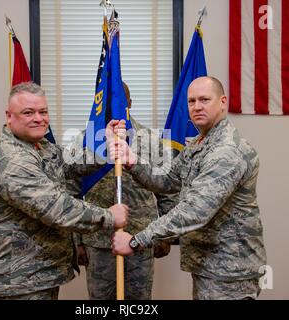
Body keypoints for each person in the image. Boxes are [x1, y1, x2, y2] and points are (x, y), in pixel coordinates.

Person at [110, 76, 267, 300]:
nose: (197, 106)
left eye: (204, 99)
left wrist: (136, 241)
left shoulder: (226, 151)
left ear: (223, 102)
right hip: (210, 266)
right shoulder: (200, 142)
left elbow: (194, 211)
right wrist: (132, 161)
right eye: (192, 101)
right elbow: (169, 180)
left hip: (231, 273)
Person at [0, 82, 129, 300]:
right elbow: (57, 209)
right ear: (9, 117)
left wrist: (107, 149)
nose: (38, 118)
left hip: (35, 274)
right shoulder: (12, 162)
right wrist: (109, 216)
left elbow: (70, 163)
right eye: (28, 112)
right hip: (15, 282)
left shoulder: (39, 146)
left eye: (43, 111)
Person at [74, 82, 176, 300]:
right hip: (97, 240)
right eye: (110, 105)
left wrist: (165, 237)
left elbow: (166, 189)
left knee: (139, 302)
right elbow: (70, 191)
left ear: (130, 104)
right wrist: (76, 241)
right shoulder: (86, 140)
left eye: (121, 103)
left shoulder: (150, 139)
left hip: (140, 237)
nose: (116, 110)